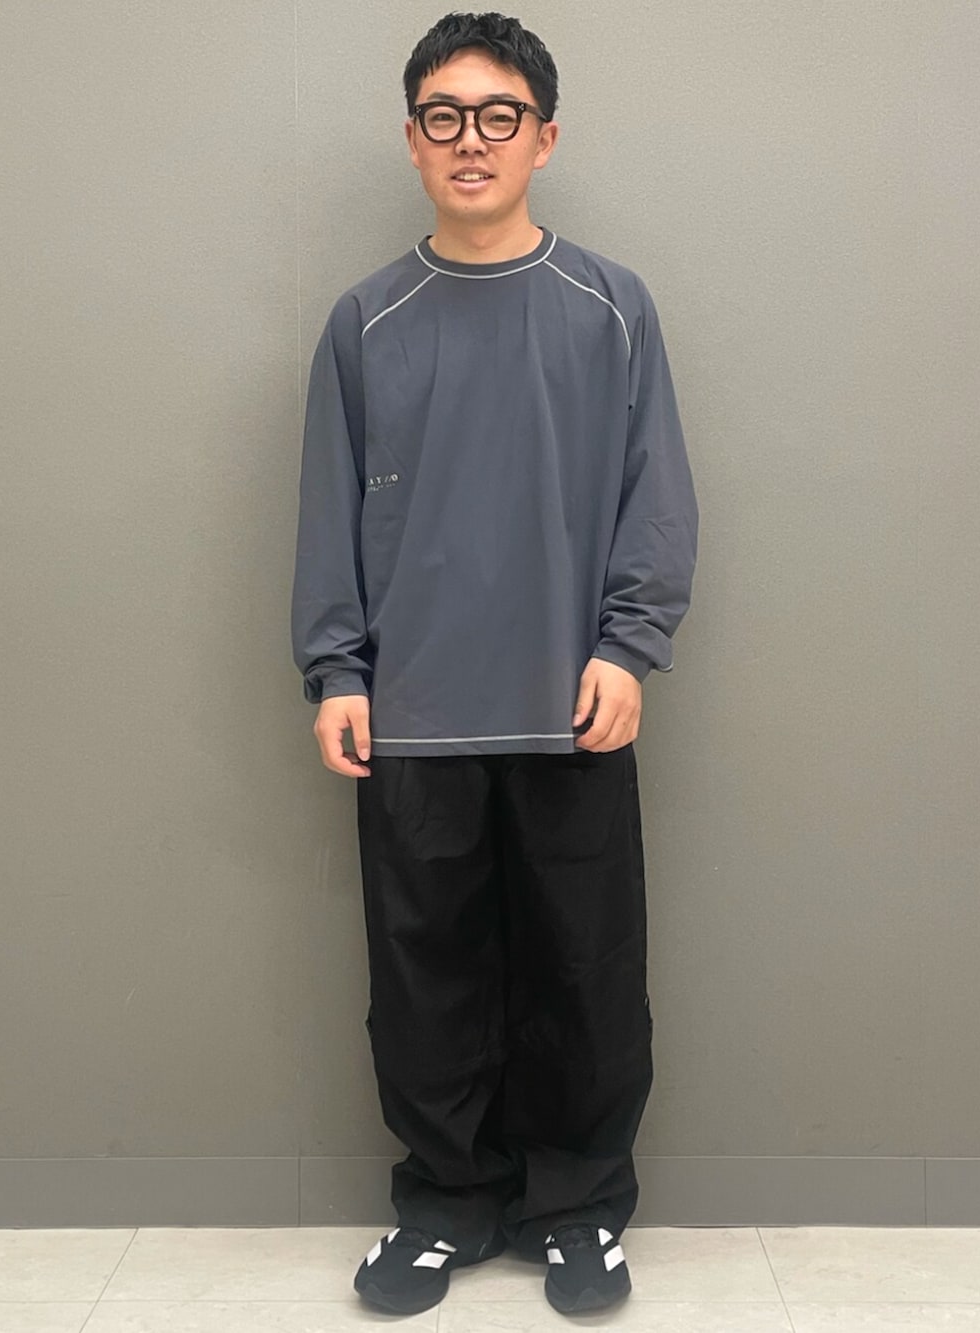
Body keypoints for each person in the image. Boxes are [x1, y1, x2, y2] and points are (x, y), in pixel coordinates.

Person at [290, 10, 698, 1317]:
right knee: (426, 979)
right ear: (413, 141)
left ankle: (576, 1210)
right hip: (411, 714)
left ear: (545, 138)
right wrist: (336, 670)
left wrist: (631, 645)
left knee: (587, 970)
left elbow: (654, 492)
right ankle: (445, 1203)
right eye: (445, 117)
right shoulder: (366, 322)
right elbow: (328, 506)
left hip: (571, 704)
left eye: (499, 115)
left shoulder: (611, 307)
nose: (473, 140)